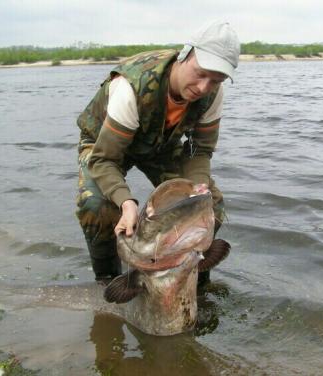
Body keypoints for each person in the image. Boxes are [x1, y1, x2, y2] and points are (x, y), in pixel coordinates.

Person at [75, 20, 240, 285]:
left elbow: (201, 150)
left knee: (210, 204)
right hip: (104, 145)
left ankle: (190, 272)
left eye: (216, 80)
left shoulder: (212, 94)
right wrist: (126, 203)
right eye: (200, 73)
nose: (203, 88)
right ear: (184, 55)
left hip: (160, 145)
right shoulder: (132, 87)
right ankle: (108, 281)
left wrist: (197, 188)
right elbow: (105, 160)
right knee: (96, 205)